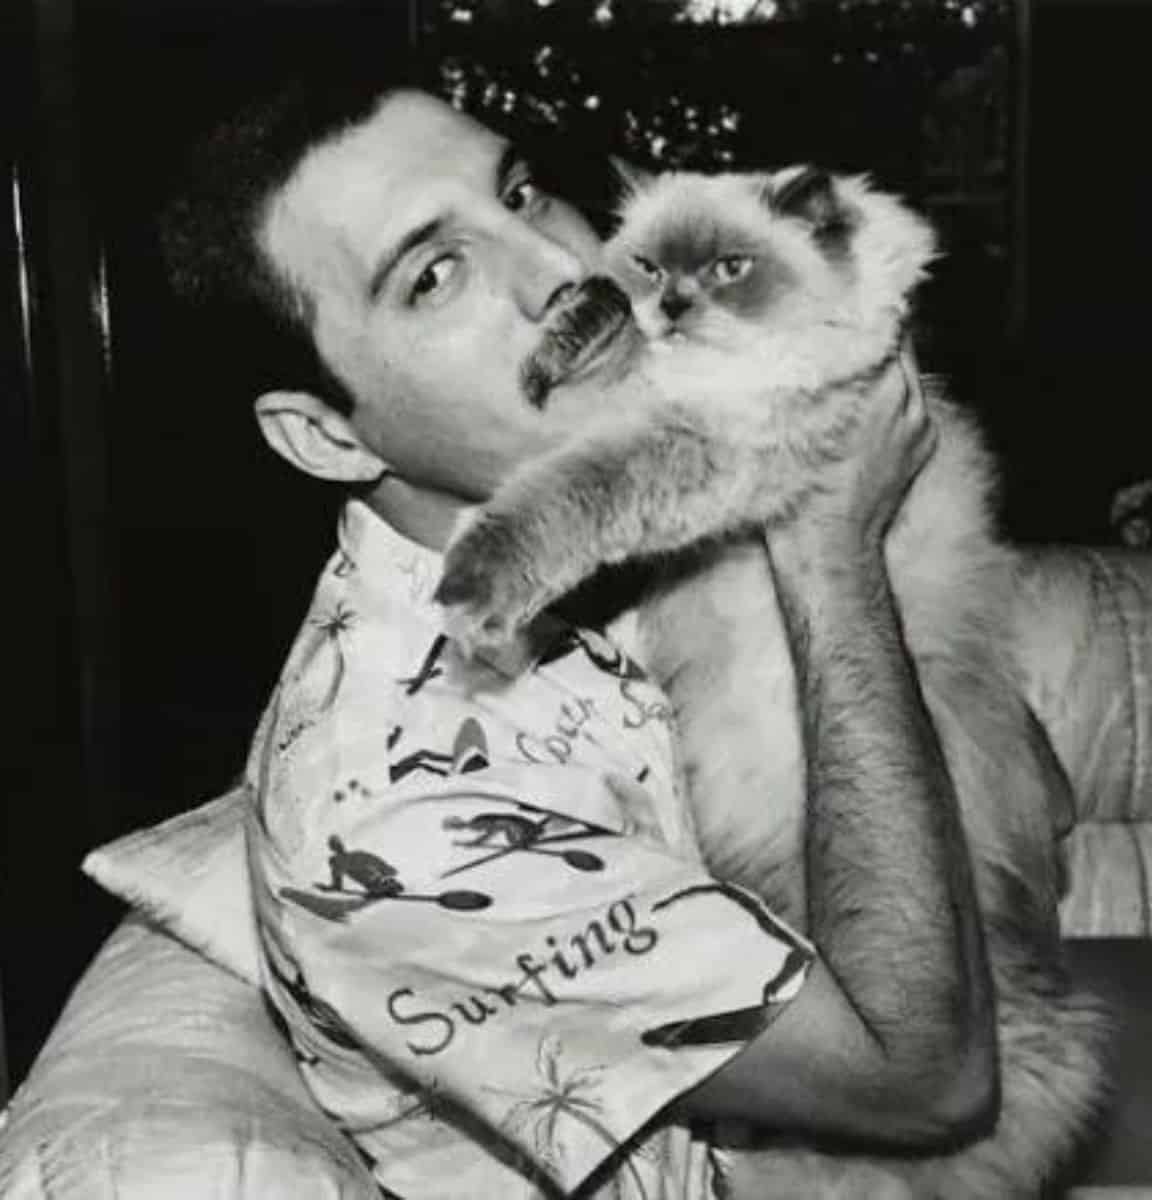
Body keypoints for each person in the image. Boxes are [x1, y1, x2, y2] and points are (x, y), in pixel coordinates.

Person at [161, 75, 1041, 1198]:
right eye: (435, 276)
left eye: (520, 194)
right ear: (324, 437)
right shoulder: (405, 821)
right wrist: (833, 549)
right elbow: (930, 1085)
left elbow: (1020, 797)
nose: (563, 272)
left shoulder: (612, 507)